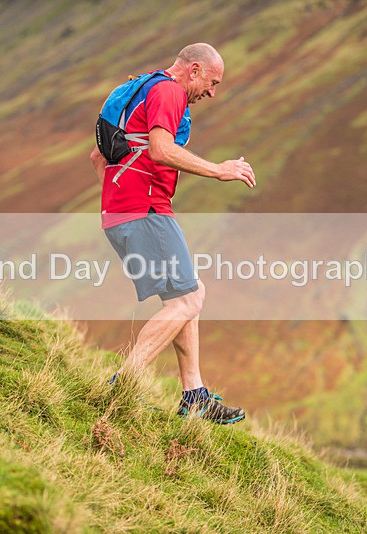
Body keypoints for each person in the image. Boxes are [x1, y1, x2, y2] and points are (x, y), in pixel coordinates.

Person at [90, 43, 256, 424]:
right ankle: (124, 387)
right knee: (187, 299)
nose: (212, 92)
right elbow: (162, 150)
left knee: (188, 292)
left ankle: (193, 395)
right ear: (193, 70)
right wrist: (219, 170)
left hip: (121, 212)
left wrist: (119, 199)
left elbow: (98, 156)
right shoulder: (169, 91)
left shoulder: (141, 87)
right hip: (146, 211)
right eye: (212, 82)